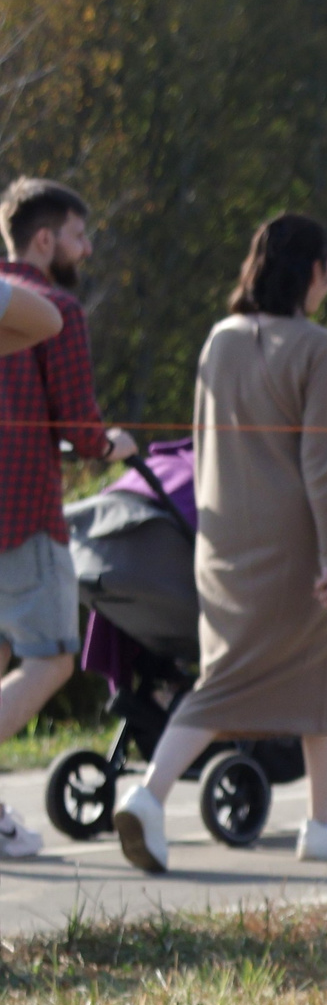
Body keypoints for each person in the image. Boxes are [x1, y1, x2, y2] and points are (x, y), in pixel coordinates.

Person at [113, 215, 327, 873]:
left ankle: (156, 793)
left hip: (221, 543)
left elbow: (204, 439)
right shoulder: (321, 349)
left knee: (227, 681)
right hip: (301, 544)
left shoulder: (219, 340)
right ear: (311, 273)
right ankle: (317, 826)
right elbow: (323, 465)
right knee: (316, 683)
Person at [0, 178, 131, 859]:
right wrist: (114, 445)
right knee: (49, 658)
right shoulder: (53, 309)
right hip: (22, 515)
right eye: (79, 235)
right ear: (45, 240)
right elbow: (81, 426)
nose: (86, 249)